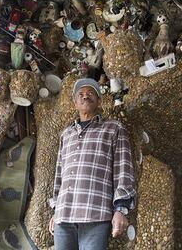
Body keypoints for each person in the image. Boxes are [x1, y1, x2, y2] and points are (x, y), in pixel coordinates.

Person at [48, 78, 136, 250]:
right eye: (80, 94)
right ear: (75, 103)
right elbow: (60, 174)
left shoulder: (114, 128)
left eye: (90, 93)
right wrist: (56, 211)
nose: (85, 96)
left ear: (99, 101)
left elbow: (123, 169)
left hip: (95, 214)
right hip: (64, 216)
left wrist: (121, 209)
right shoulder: (66, 134)